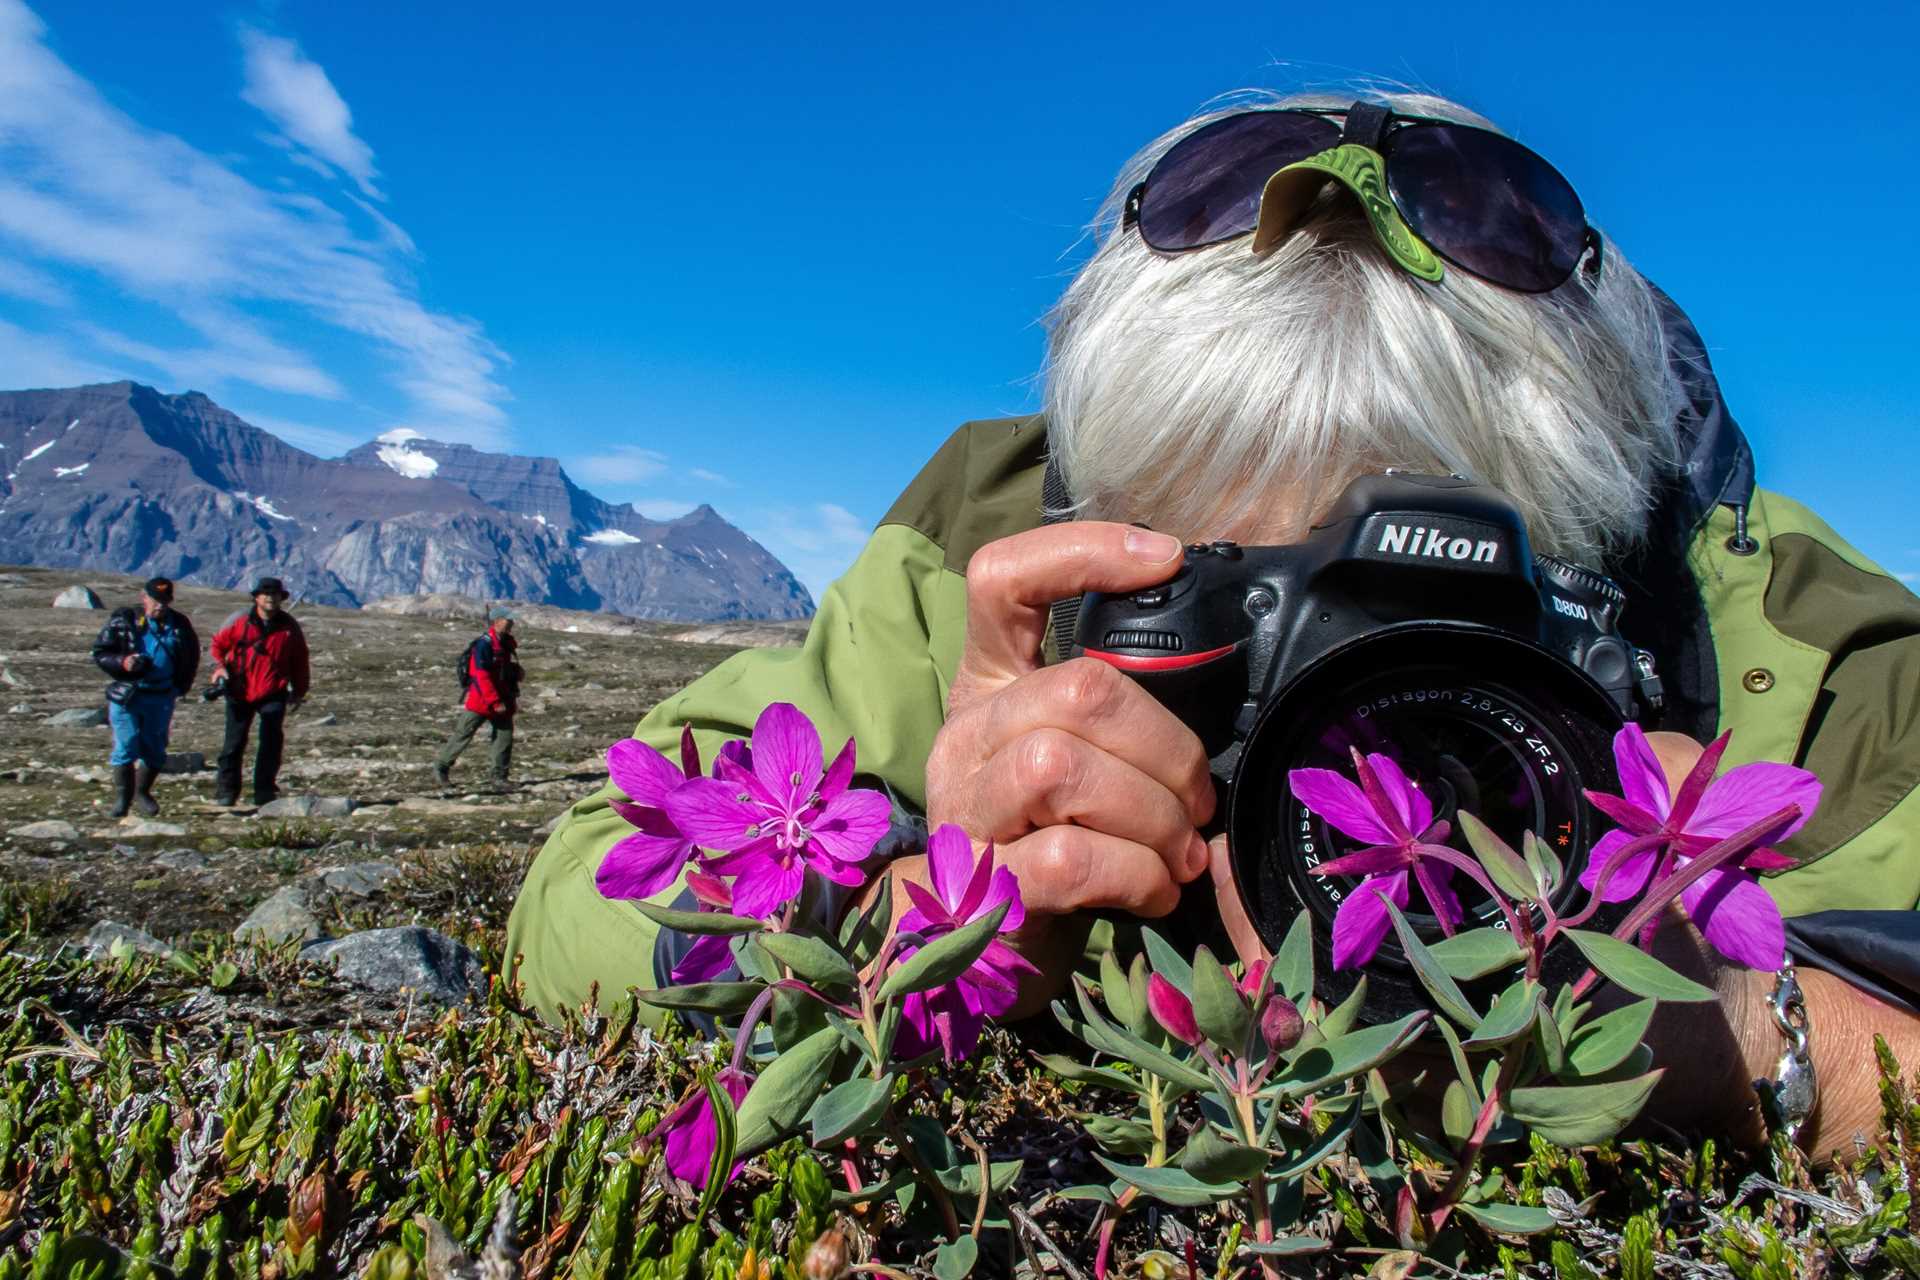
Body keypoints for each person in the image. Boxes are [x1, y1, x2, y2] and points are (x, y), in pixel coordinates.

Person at [507, 90, 1920, 1158]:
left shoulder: (1798, 652)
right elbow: (574, 904)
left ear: (1603, 577)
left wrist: (1724, 1030)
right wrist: (922, 929)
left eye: (1441, 612)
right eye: (1253, 592)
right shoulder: (1001, 567)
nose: (1363, 745)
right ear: (1106, 528)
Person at [90, 577, 199, 817]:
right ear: (144, 597)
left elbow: (191, 657)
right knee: (126, 745)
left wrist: (180, 687)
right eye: (156, 600)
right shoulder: (125, 619)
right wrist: (123, 662)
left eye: (165, 601)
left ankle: (143, 792)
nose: (160, 605)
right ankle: (122, 800)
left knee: (155, 748)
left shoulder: (180, 624)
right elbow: (101, 652)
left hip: (161, 696)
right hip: (128, 695)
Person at [209, 576, 310, 807]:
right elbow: (217, 646)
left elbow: (299, 660)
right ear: (256, 597)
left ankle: (264, 791)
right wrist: (219, 668)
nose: (270, 598)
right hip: (239, 690)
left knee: (271, 743)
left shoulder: (289, 628)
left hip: (273, 691)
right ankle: (226, 791)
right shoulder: (239, 622)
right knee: (233, 743)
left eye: (275, 594)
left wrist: (299, 691)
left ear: (281, 598)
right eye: (266, 594)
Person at [435, 606, 522, 788]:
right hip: (482, 701)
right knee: (464, 734)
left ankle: (499, 777)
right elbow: (481, 676)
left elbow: (501, 670)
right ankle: (441, 767)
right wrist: (495, 701)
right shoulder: (484, 645)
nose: (512, 623)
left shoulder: (504, 642)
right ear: (497, 621)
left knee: (504, 738)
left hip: (502, 698)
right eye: (509, 620)